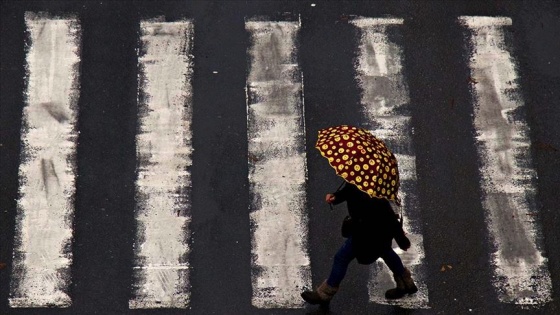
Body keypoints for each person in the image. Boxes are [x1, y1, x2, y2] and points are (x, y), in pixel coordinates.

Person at [301, 182, 417, 307]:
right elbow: (391, 220)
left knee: (342, 257)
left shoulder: (364, 188)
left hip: (364, 235)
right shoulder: (376, 189)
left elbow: (390, 218)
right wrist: (336, 197)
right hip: (380, 235)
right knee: (386, 252)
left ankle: (325, 293)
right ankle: (406, 282)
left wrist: (336, 197)